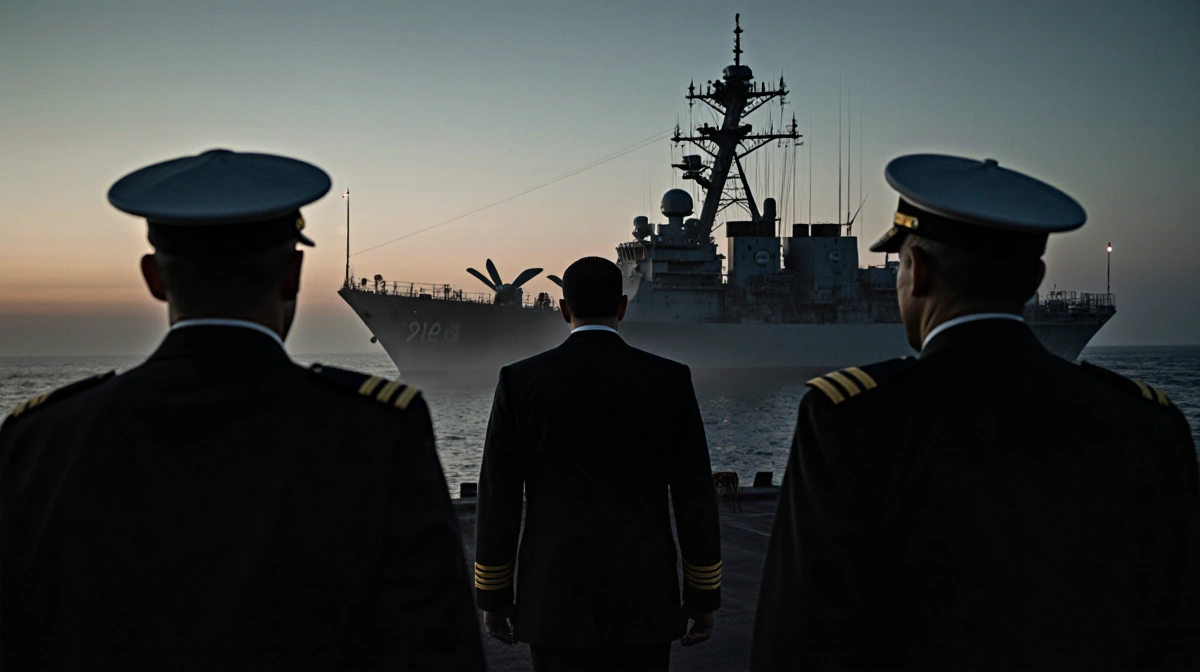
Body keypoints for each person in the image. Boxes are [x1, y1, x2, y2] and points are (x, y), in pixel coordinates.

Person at [0, 149, 486, 670]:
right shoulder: (379, 433)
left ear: (154, 278)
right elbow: (437, 647)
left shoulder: (40, 435)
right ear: (292, 274)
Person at [751, 154, 1199, 670]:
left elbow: (798, 642)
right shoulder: (1149, 421)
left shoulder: (848, 419)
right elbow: (1179, 630)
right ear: (1034, 280)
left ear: (915, 272)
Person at [474, 256, 722, 672]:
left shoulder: (519, 381)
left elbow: (498, 498)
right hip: (645, 600)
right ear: (622, 307)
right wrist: (702, 597)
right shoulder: (670, 380)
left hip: (552, 600)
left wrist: (495, 597)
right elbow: (694, 497)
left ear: (563, 308)